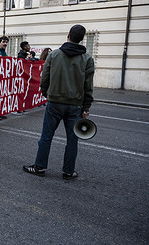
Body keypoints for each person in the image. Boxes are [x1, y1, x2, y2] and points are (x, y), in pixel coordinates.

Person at [23, 24, 94, 180]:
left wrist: (46, 94)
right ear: (82, 39)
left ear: (68, 35)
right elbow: (88, 86)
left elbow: (44, 79)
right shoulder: (87, 59)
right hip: (75, 105)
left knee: (46, 136)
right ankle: (68, 171)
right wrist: (86, 107)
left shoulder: (54, 55)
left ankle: (40, 166)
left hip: (54, 101)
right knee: (72, 140)